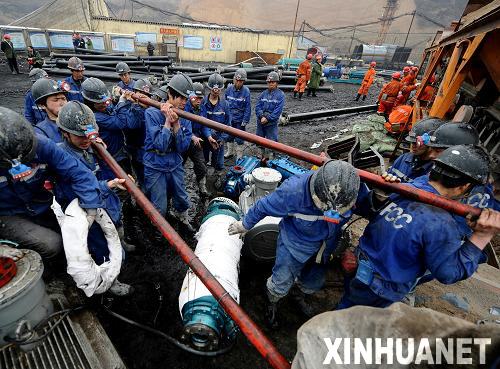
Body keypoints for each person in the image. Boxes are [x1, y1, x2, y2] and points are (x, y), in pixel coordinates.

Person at [337, 145, 500, 309]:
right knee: (354, 318)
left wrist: (377, 197)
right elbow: (448, 273)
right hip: (380, 288)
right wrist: (481, 237)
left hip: (358, 264)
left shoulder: (403, 186)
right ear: (464, 187)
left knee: (347, 303)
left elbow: (367, 211)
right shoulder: (442, 224)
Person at [228, 160, 360, 326]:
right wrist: (245, 224)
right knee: (282, 279)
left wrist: (383, 193)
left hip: (325, 247)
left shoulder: (350, 188)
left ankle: (299, 294)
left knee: (313, 280)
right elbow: (263, 206)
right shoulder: (293, 191)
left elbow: (373, 205)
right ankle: (273, 301)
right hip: (295, 245)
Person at [0, 107, 102, 261]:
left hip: (40, 205)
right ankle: (48, 275)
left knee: (70, 237)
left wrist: (91, 205)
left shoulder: (39, 144)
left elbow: (77, 172)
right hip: (7, 215)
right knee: (52, 244)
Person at [143, 73, 193, 229]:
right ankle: (158, 229)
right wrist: (167, 121)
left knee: (182, 197)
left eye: (186, 99)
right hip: (155, 165)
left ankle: (182, 219)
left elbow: (183, 147)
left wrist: (177, 124)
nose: (184, 102)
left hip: (174, 163)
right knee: (160, 205)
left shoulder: (186, 116)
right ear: (170, 95)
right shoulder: (152, 113)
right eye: (181, 98)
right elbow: (160, 145)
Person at [384, 121, 480, 183]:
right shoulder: (404, 158)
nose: (432, 155)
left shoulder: (438, 175)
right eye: (411, 142)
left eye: (417, 142)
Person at [81, 77, 142, 173]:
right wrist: (122, 101)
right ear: (90, 103)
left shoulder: (104, 107)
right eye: (100, 103)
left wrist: (116, 100)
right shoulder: (95, 117)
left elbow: (113, 110)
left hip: (121, 151)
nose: (105, 104)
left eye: (106, 101)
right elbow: (120, 122)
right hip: (113, 158)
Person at [200, 73, 231, 177]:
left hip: (219, 139)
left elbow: (228, 125)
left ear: (221, 89)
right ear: (209, 88)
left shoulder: (225, 104)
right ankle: (203, 180)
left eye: (218, 89)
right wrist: (208, 136)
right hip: (205, 137)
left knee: (219, 165)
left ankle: (216, 179)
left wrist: (222, 139)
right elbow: (202, 122)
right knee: (203, 162)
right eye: (214, 90)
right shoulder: (203, 102)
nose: (216, 92)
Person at [183, 82, 210, 196]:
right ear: (190, 96)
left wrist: (208, 136)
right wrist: (192, 136)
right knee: (177, 166)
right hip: (183, 141)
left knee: (201, 166)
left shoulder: (202, 108)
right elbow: (183, 125)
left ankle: (201, 184)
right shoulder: (183, 107)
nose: (198, 100)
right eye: (196, 98)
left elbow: (204, 125)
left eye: (201, 98)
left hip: (196, 142)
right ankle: (177, 189)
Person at [126, 78, 153, 186]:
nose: (142, 96)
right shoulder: (131, 107)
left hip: (147, 150)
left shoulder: (151, 111)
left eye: (145, 94)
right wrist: (135, 105)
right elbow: (132, 124)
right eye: (140, 93)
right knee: (140, 175)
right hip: (134, 149)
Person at [255, 71, 285, 158]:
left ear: (276, 83)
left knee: (271, 141)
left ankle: (271, 157)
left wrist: (267, 118)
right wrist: (261, 116)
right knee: (259, 139)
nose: (270, 84)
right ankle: (260, 156)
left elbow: (277, 111)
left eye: (273, 82)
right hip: (261, 121)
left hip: (271, 123)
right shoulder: (263, 94)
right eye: (269, 82)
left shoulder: (280, 95)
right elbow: (257, 107)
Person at [224, 68, 251, 159]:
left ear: (243, 81)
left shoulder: (246, 91)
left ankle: (239, 155)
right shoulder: (228, 89)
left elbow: (248, 107)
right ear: (234, 79)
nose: (238, 83)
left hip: (240, 119)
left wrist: (245, 120)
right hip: (230, 118)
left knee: (240, 138)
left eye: (241, 81)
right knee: (229, 136)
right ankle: (230, 152)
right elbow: (225, 104)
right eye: (237, 80)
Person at [32, 78, 68, 143]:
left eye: (63, 98)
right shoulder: (40, 132)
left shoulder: (78, 123)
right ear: (42, 105)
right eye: (55, 100)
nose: (62, 103)